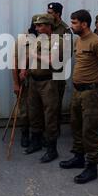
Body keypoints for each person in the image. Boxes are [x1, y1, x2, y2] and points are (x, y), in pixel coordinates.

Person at [59, 10, 98, 183]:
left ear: (84, 24)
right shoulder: (79, 41)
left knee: (89, 130)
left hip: (91, 92)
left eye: (74, 23)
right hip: (78, 91)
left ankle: (92, 167)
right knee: (76, 125)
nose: (72, 25)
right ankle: (78, 157)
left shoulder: (97, 43)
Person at [22, 14, 64, 163]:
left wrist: (35, 54)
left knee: (50, 115)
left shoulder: (57, 41)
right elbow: (28, 56)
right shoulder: (37, 40)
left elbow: (52, 61)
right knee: (34, 112)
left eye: (40, 25)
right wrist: (24, 69)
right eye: (37, 26)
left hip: (49, 82)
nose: (37, 28)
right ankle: (36, 142)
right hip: (33, 81)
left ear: (48, 26)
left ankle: (52, 150)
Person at [12, 15, 39, 147]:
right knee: (24, 109)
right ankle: (24, 133)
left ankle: (37, 136)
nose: (39, 27)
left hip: (41, 81)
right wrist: (16, 83)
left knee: (39, 109)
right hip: (25, 81)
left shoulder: (47, 39)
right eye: (37, 24)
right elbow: (15, 62)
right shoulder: (22, 39)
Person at [47, 2, 73, 137]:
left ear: (58, 14)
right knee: (45, 104)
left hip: (58, 72)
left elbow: (68, 53)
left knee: (55, 104)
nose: (48, 15)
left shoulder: (65, 30)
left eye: (50, 13)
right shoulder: (45, 26)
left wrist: (54, 56)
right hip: (44, 72)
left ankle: (54, 132)